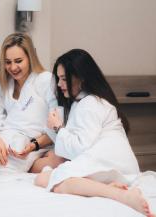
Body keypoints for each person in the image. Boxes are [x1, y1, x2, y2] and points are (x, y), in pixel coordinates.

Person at [34, 49, 154, 217]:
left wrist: (58, 128)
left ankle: (122, 196)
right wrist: (55, 126)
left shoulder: (89, 104)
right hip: (111, 161)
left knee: (50, 179)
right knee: (47, 178)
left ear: (81, 79)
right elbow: (68, 144)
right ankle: (110, 188)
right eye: (58, 79)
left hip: (111, 160)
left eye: (63, 79)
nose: (60, 85)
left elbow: (78, 148)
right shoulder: (84, 102)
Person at [0, 33, 64, 173]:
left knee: (57, 160)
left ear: (30, 58)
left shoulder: (45, 80)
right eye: (7, 62)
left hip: (36, 145)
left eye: (18, 61)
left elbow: (58, 124)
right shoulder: (1, 85)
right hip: (4, 141)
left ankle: (3, 166)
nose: (13, 67)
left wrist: (33, 145)